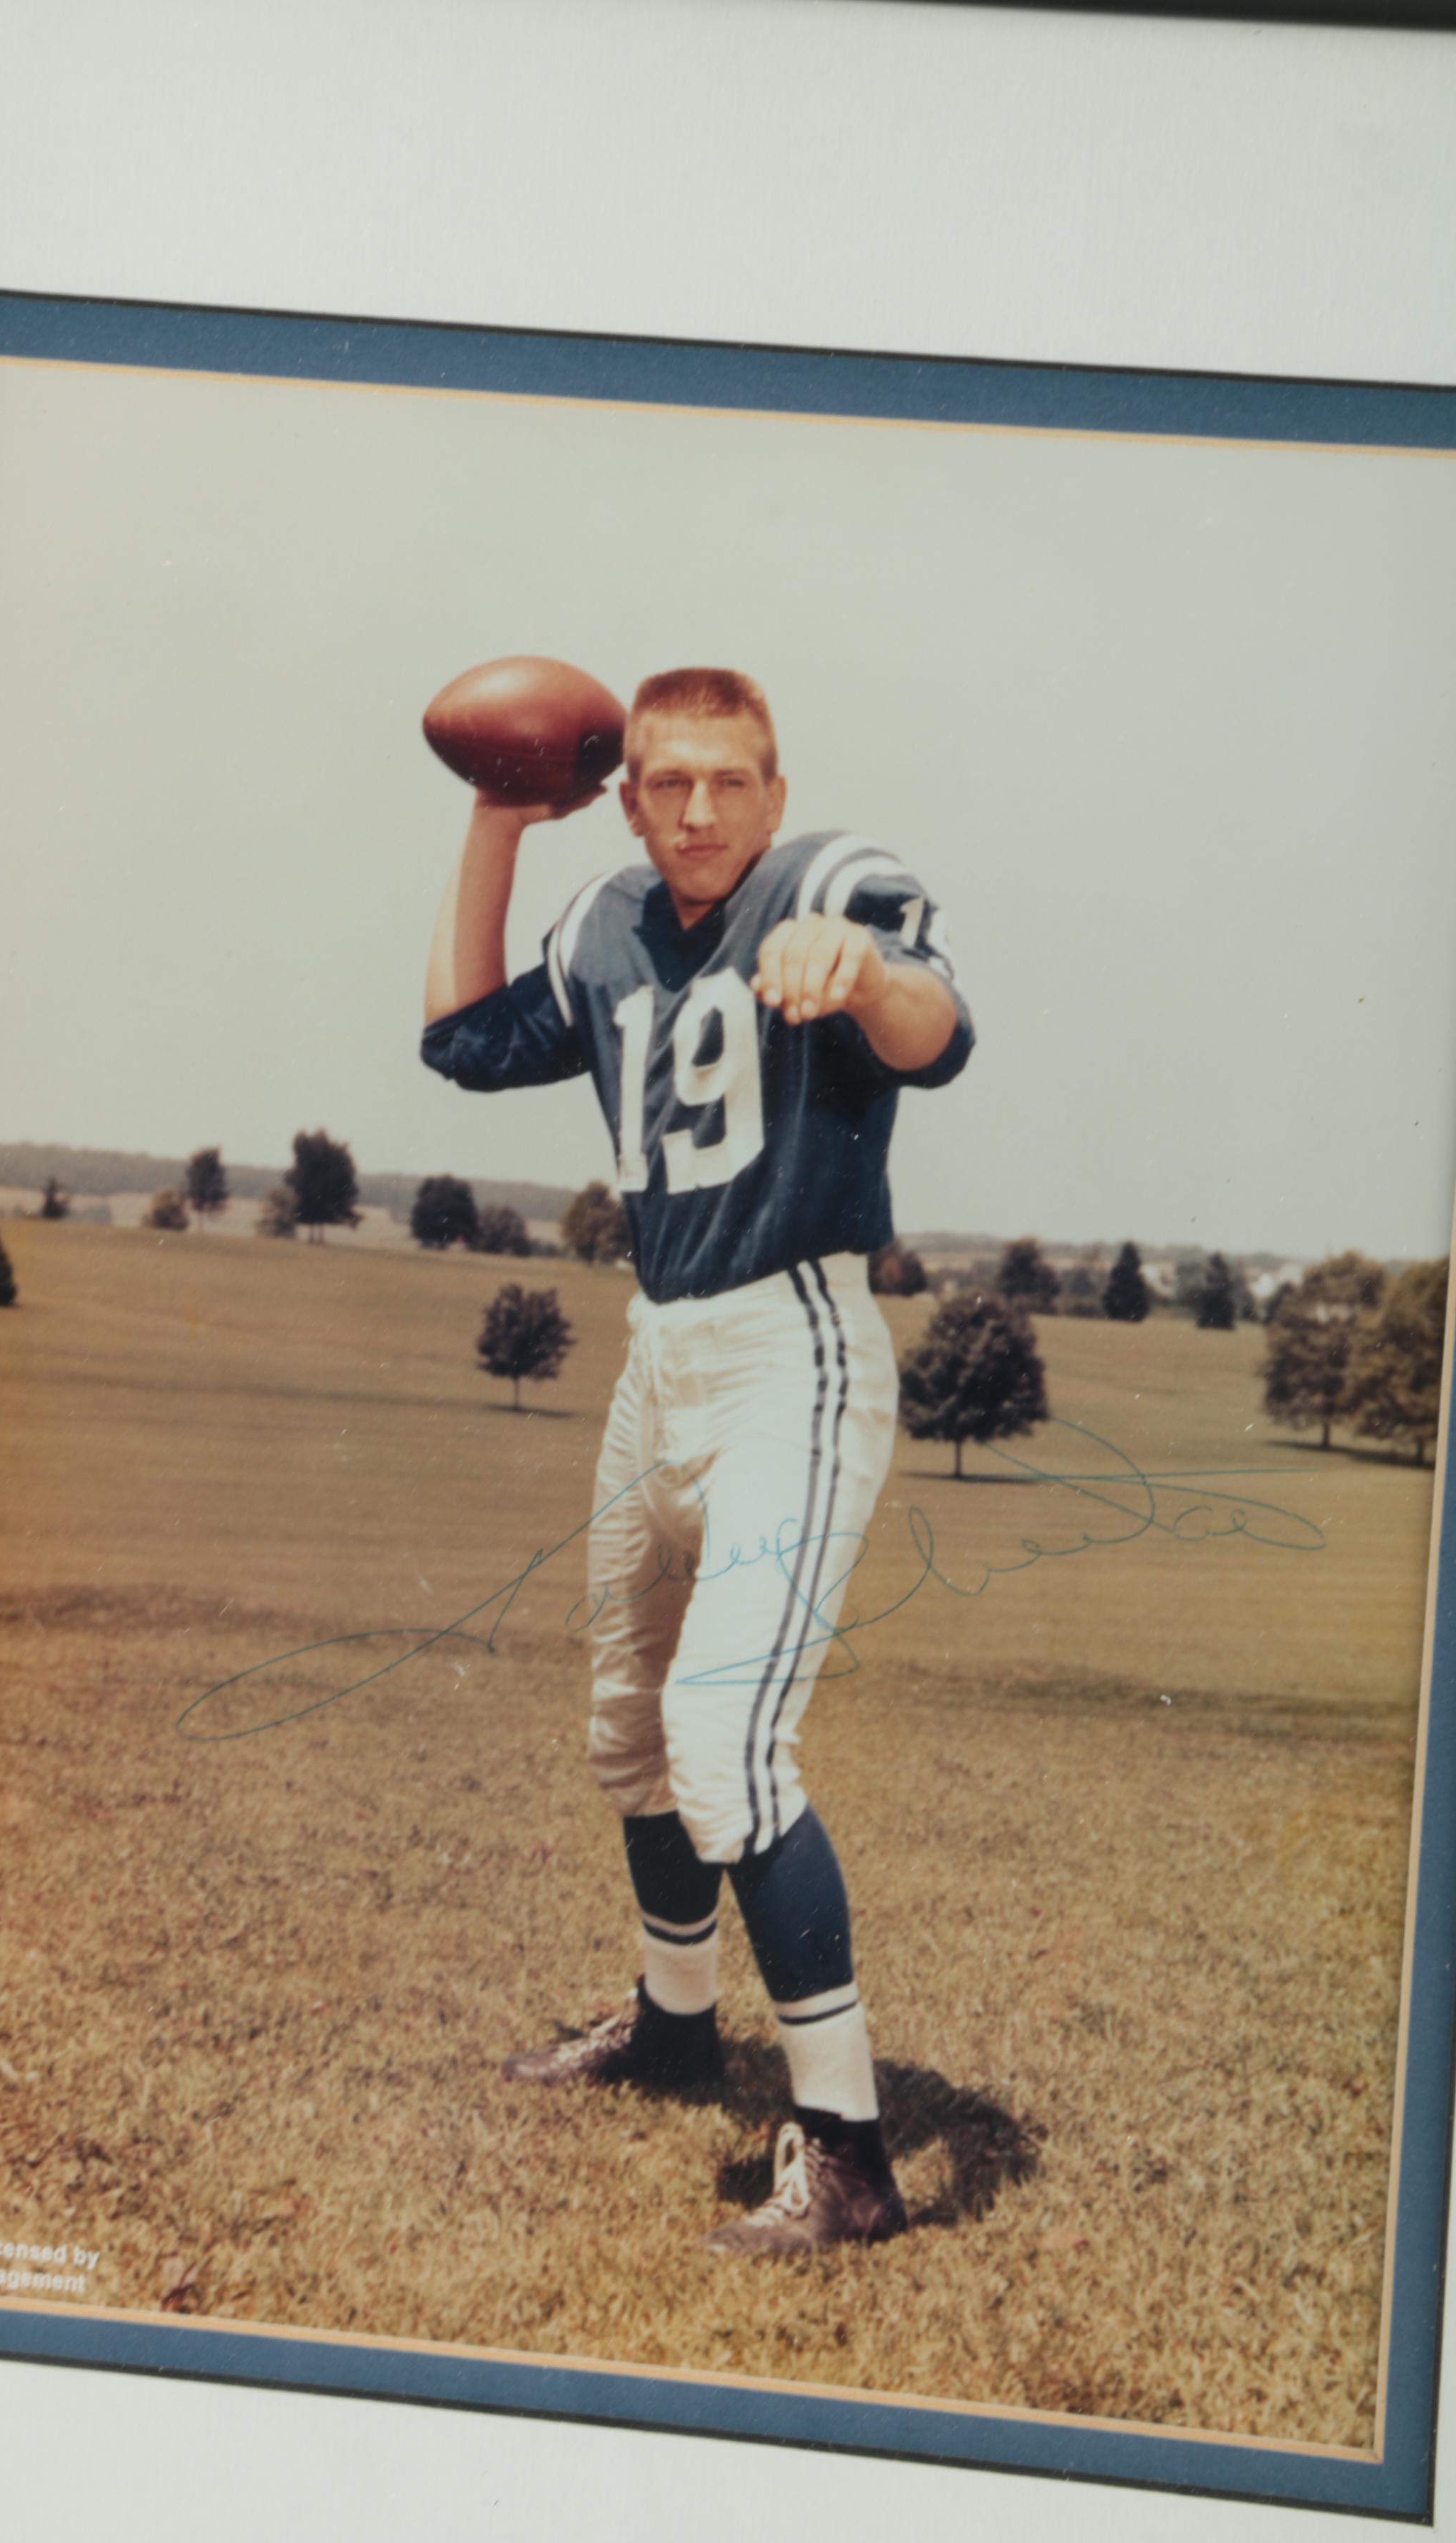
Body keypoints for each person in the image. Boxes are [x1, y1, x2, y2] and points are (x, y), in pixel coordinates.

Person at [421, 667, 973, 2253]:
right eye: (669, 783)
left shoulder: (827, 881)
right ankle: (674, 2025)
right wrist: (493, 818)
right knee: (629, 1729)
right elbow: (459, 1040)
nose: (701, 812)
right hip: (659, 1354)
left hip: (791, 1350)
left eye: (731, 781)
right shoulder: (607, 923)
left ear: (774, 794)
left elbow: (939, 1031)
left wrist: (861, 975)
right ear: (629, 797)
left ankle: (848, 2155)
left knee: (725, 1745)